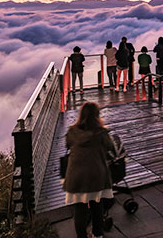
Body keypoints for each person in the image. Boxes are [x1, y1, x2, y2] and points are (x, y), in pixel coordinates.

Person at [63, 102, 115, 238]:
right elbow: (111, 147)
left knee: (79, 208)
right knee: (97, 204)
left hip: (76, 176)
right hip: (95, 176)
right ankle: (97, 234)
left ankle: (81, 236)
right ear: (97, 116)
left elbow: (67, 145)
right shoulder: (101, 133)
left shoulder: (72, 132)